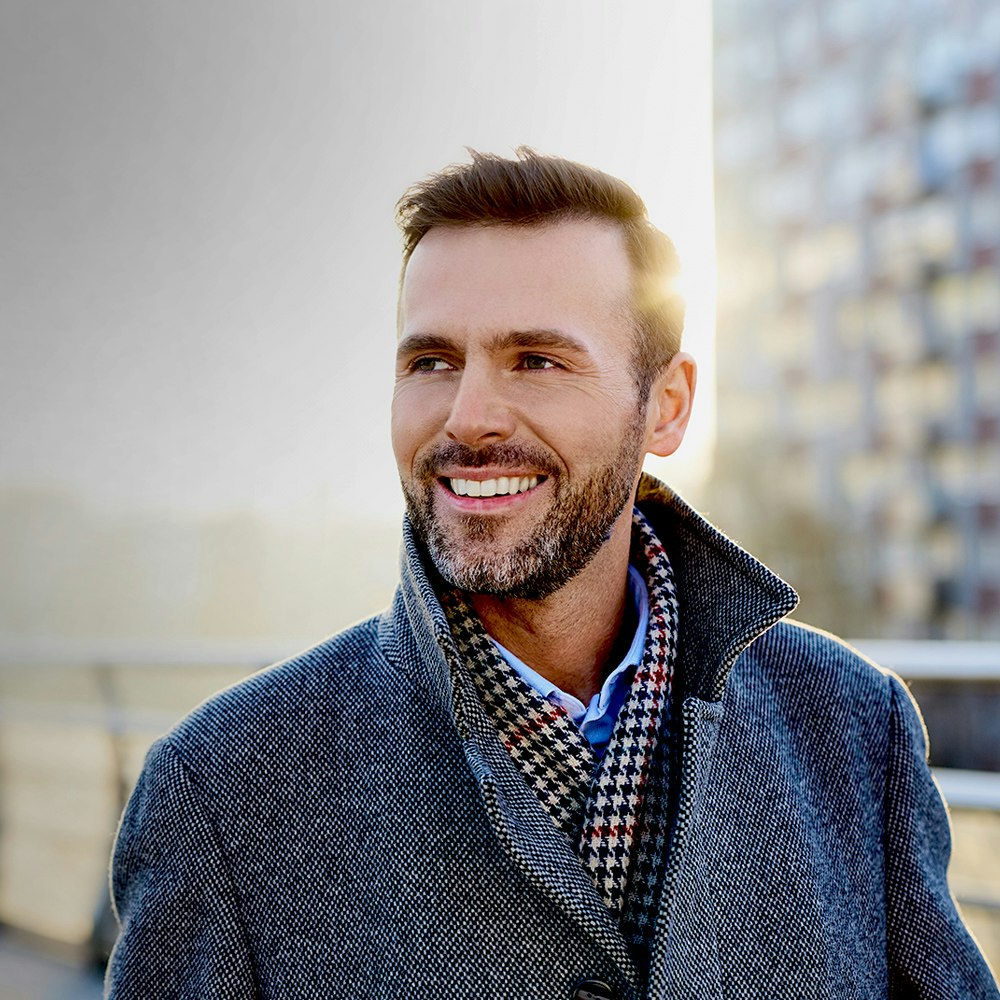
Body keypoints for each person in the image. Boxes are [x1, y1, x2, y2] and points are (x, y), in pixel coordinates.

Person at [105, 149, 998, 999]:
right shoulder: (221, 793)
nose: (469, 416)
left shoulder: (852, 729)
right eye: (431, 361)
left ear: (668, 405)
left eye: (537, 359)